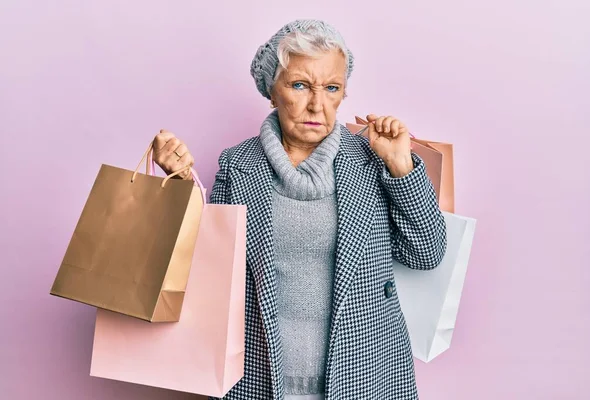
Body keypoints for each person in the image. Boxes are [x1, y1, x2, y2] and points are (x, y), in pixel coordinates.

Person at [152, 19, 447, 400]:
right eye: (299, 85)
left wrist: (401, 167)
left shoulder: (373, 161)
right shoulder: (238, 166)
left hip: (367, 380)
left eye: (331, 88)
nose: (317, 104)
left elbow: (426, 254)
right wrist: (179, 185)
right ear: (271, 90)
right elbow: (208, 274)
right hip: (259, 381)